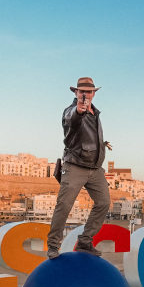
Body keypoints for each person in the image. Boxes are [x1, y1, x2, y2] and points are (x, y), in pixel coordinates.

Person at [47, 77, 112, 258]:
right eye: (81, 91)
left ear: (94, 93)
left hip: (95, 169)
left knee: (104, 203)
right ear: (76, 93)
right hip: (75, 166)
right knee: (64, 205)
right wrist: (78, 111)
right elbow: (72, 119)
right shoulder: (72, 111)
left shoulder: (96, 113)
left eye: (89, 91)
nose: (85, 94)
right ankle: (53, 245)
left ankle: (85, 241)